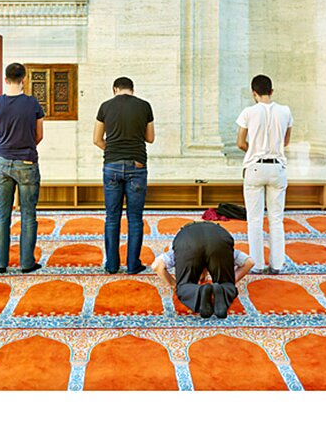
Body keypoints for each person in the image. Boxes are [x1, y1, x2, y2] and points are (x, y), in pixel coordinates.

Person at [0, 63, 45, 274]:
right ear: (24, 79)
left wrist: (7, 147)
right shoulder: (32, 104)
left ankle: (0, 263)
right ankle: (27, 263)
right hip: (27, 162)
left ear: (5, 79)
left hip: (2, 162)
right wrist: (24, 148)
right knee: (28, 214)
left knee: (2, 215)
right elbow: (39, 136)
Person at [93, 77, 155, 274]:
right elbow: (150, 138)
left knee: (112, 217)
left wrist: (111, 151)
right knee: (135, 218)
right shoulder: (144, 106)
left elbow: (96, 139)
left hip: (111, 165)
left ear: (115, 89)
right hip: (137, 165)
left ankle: (111, 265)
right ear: (132, 90)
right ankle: (132, 264)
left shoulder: (105, 106)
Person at [236, 74, 293, 274]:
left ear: (254, 93)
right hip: (277, 167)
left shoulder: (248, 112)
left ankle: (257, 265)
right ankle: (277, 264)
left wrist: (255, 150)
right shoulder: (285, 111)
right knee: (276, 219)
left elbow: (241, 143)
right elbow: (285, 142)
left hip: (255, 167)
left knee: (255, 219)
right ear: (271, 91)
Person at [151, 221, 254, 319]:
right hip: (220, 241)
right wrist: (230, 281)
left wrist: (176, 285)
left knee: (185, 285)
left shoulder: (178, 245)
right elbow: (249, 262)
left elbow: (157, 266)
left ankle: (198, 291)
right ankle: (223, 289)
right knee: (226, 282)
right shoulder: (220, 238)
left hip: (187, 243)